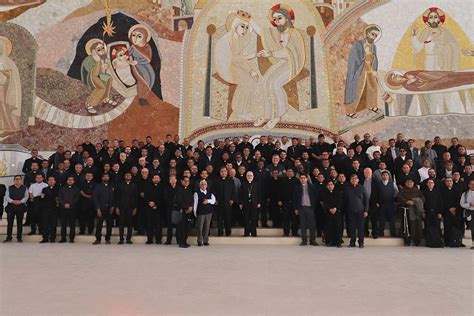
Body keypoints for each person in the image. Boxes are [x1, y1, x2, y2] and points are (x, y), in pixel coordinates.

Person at [343, 174, 368, 248]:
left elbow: (366, 200)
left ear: (358, 180)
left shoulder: (362, 188)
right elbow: (345, 200)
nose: (354, 180)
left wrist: (366, 210)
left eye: (355, 178)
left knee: (360, 227)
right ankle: (352, 242)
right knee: (352, 227)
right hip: (350, 211)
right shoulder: (347, 188)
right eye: (352, 179)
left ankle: (361, 242)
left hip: (360, 211)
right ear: (350, 180)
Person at [398, 178, 425, 246]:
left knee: (416, 226)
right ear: (405, 183)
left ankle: (417, 241)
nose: (409, 183)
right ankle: (407, 241)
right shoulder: (402, 191)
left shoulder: (417, 191)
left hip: (416, 211)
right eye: (408, 182)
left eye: (411, 182)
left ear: (413, 183)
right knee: (407, 226)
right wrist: (406, 201)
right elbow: (399, 198)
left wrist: (415, 201)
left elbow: (422, 198)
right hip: (406, 211)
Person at [293, 174, 318, 246]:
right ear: (300, 179)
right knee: (302, 224)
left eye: (304, 178)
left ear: (307, 179)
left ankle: (312, 240)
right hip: (301, 207)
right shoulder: (297, 187)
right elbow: (294, 198)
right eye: (301, 178)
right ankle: (304, 240)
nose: (303, 179)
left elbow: (315, 197)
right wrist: (296, 208)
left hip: (310, 207)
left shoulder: (312, 186)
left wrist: (314, 206)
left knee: (312, 225)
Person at [3, 175, 28, 243]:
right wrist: (12, 201)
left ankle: (19, 238)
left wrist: (21, 201)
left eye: (19, 179)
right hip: (11, 207)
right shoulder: (9, 187)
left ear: (21, 180)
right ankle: (9, 238)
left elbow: (26, 196)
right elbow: (6, 196)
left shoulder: (25, 188)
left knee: (19, 223)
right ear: (14, 180)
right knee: (10, 223)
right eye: (16, 179)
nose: (17, 180)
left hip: (20, 207)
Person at [115, 172, 138, 244]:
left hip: (131, 208)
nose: (128, 176)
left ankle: (128, 239)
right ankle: (121, 239)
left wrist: (135, 208)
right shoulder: (120, 185)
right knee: (121, 224)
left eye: (129, 175)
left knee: (130, 224)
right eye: (126, 175)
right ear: (124, 176)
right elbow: (117, 197)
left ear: (131, 177)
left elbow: (136, 197)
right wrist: (117, 207)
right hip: (121, 207)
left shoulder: (134, 185)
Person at [214, 167, 237, 236]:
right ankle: (220, 232)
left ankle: (228, 232)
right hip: (219, 202)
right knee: (220, 218)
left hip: (228, 202)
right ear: (220, 172)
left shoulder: (230, 180)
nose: (223, 172)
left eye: (225, 171)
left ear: (227, 172)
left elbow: (234, 191)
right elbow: (214, 191)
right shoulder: (216, 180)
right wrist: (215, 200)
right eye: (222, 171)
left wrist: (232, 199)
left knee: (228, 218)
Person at [92, 173, 115, 245]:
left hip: (109, 209)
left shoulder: (111, 186)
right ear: (102, 178)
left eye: (107, 176)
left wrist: (113, 206)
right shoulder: (98, 186)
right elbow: (95, 198)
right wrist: (98, 209)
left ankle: (107, 239)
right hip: (101, 208)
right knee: (99, 225)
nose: (106, 177)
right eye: (104, 176)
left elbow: (114, 197)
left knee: (109, 225)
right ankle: (98, 239)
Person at [441, 177, 464, 247]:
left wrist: (455, 208)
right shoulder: (442, 191)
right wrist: (449, 209)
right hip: (446, 211)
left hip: (456, 212)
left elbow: (459, 200)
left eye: (450, 181)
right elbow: (442, 201)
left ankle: (457, 241)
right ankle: (447, 242)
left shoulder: (457, 190)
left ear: (452, 182)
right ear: (445, 183)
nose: (449, 182)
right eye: (447, 181)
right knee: (447, 227)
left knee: (457, 227)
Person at [375, 171, 398, 237]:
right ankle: (381, 233)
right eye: (383, 175)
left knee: (392, 220)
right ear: (381, 176)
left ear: (388, 176)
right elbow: (376, 194)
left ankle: (393, 233)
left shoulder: (392, 183)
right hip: (381, 205)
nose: (385, 176)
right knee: (381, 219)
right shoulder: (378, 184)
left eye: (386, 175)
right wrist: (377, 202)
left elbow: (396, 192)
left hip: (390, 204)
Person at [422, 179, 444, 248]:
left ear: (434, 184)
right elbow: (422, 203)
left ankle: (437, 242)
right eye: (429, 183)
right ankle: (428, 242)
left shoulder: (437, 192)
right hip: (427, 213)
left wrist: (440, 212)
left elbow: (440, 203)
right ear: (427, 184)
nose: (430, 184)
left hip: (436, 213)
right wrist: (423, 212)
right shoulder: (423, 192)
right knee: (427, 227)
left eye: (431, 183)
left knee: (437, 227)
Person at [144, 174, 165, 245]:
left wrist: (156, 204)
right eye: (155, 178)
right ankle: (149, 239)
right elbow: (145, 197)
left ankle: (158, 240)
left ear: (160, 179)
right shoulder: (147, 186)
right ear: (152, 179)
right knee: (149, 224)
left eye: (157, 178)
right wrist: (150, 203)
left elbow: (163, 198)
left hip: (158, 209)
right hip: (149, 208)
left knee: (158, 225)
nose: (156, 179)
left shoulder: (162, 187)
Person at [58, 176, 80, 243]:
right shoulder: (62, 188)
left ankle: (71, 238)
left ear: (74, 181)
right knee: (63, 224)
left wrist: (70, 204)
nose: (70, 181)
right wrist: (64, 204)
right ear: (67, 181)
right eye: (69, 180)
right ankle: (63, 238)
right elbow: (59, 197)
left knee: (72, 224)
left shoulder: (76, 189)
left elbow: (76, 198)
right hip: (63, 208)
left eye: (71, 180)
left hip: (72, 209)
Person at [194, 180, 216, 246]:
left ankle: (205, 240)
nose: (203, 185)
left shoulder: (210, 193)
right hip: (201, 212)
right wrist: (195, 213)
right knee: (200, 227)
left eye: (205, 184)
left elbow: (213, 201)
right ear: (200, 185)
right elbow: (195, 203)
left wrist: (208, 201)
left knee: (207, 227)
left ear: (207, 185)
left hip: (208, 212)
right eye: (202, 184)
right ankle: (199, 241)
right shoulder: (196, 193)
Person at [239, 171, 262, 237]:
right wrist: (240, 203)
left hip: (254, 204)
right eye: (248, 175)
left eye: (251, 175)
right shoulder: (243, 184)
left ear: (253, 176)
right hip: (245, 204)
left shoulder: (256, 184)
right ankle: (246, 233)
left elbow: (259, 194)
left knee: (254, 219)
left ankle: (254, 233)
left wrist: (259, 202)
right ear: (246, 176)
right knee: (246, 219)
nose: (249, 177)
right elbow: (240, 194)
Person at [322, 181, 343, 247]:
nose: (330, 186)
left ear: (334, 186)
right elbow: (324, 203)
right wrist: (329, 209)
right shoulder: (324, 193)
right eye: (328, 185)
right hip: (328, 213)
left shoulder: (338, 193)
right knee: (329, 227)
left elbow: (340, 201)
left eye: (331, 184)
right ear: (327, 186)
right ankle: (329, 241)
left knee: (338, 227)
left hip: (337, 212)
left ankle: (338, 242)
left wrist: (336, 208)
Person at [175, 176, 194, 248]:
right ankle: (181, 242)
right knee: (182, 228)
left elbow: (192, 200)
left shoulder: (189, 190)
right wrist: (186, 207)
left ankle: (185, 241)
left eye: (188, 181)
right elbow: (179, 201)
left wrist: (191, 207)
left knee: (187, 228)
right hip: (182, 211)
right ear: (182, 181)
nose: (186, 182)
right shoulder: (179, 189)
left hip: (189, 212)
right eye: (185, 181)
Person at [39, 176, 59, 243]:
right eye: (49, 180)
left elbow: (56, 198)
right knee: (45, 224)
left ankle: (52, 238)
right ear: (47, 181)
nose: (51, 181)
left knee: (53, 225)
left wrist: (47, 197)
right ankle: (45, 238)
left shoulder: (58, 189)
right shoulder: (44, 189)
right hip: (45, 209)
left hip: (54, 209)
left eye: (52, 180)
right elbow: (42, 198)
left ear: (55, 181)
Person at [460, 179, 474, 249]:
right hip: (469, 212)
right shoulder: (465, 194)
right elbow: (462, 204)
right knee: (472, 228)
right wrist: (469, 205)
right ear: (469, 185)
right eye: (471, 184)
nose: (473, 185)